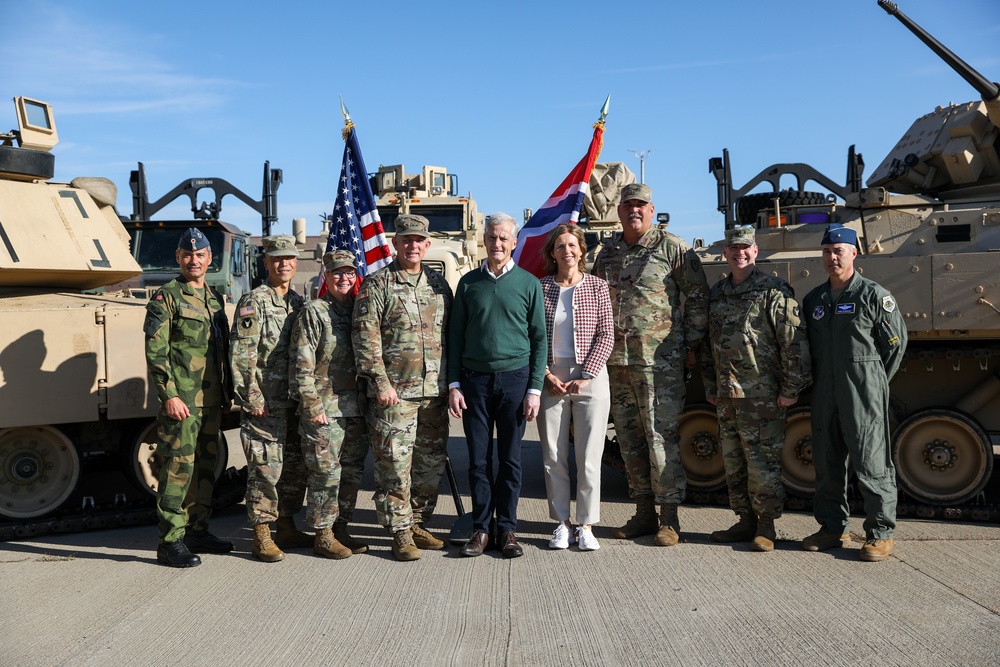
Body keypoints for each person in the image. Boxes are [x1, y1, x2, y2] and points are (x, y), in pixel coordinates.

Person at [592, 183, 709, 547]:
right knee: (629, 441)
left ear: (652, 208)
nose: (634, 211)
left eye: (640, 205)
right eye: (628, 206)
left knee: (661, 440)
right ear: (619, 211)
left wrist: (691, 343)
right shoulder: (607, 251)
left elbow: (698, 295)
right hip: (615, 362)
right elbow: (594, 298)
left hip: (659, 363)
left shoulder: (672, 247)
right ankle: (643, 511)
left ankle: (669, 518)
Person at [801, 224, 907, 562]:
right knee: (827, 462)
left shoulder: (874, 296)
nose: (832, 257)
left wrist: (872, 380)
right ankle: (834, 528)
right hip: (825, 392)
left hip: (863, 391)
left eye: (839, 251)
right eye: (827, 252)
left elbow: (896, 344)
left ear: (853, 254)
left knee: (872, 461)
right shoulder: (814, 299)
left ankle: (879, 533)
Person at [701, 226, 811, 551]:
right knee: (734, 462)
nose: (740, 254)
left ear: (755, 250)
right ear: (725, 253)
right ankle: (744, 521)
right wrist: (710, 384)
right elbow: (710, 346)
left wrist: (790, 388)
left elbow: (793, 343)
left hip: (762, 394)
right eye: (734, 249)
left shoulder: (773, 290)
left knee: (762, 463)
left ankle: (766, 526)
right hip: (726, 394)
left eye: (745, 248)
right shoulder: (717, 293)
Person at [352, 214, 453, 562]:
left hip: (434, 393)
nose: (413, 246)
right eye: (406, 239)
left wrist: (451, 384)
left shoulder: (439, 285)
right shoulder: (377, 284)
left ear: (427, 245)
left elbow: (450, 336)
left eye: (419, 240)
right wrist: (380, 383)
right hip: (395, 395)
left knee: (428, 465)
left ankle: (418, 522)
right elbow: (365, 337)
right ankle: (399, 532)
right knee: (394, 467)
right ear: (395, 243)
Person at [448, 212, 547, 559]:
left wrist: (534, 388)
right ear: (484, 239)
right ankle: (481, 529)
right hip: (474, 382)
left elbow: (539, 340)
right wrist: (455, 384)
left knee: (510, 460)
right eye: (492, 237)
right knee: (478, 460)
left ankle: (506, 529)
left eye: (504, 238)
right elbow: (456, 336)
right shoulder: (469, 284)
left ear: (514, 242)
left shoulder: (528, 283)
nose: (498, 244)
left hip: (515, 380)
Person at [144, 227, 232, 568]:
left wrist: (226, 393)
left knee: (205, 471)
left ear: (210, 259)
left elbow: (221, 351)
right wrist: (168, 395)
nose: (193, 260)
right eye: (187, 255)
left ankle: (197, 531)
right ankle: (170, 542)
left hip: (210, 401)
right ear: (178, 258)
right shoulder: (166, 296)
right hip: (182, 402)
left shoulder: (213, 298)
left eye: (199, 255)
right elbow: (156, 351)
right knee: (177, 472)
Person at [230, 235, 309, 562]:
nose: (284, 264)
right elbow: (240, 355)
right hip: (265, 403)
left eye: (289, 258)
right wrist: (251, 397)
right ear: (266, 263)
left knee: (293, 469)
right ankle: (261, 535)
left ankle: (286, 526)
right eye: (277, 259)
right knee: (265, 469)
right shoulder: (254, 301)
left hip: (294, 402)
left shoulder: (298, 302)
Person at [536, 224, 614, 552]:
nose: (566, 251)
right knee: (553, 455)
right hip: (551, 378)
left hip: (590, 378)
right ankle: (561, 524)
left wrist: (587, 374)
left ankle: (586, 525)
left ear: (581, 250)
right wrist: (544, 374)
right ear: (552, 253)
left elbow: (606, 334)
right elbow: (531, 336)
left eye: (572, 245)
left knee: (589, 456)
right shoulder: (539, 288)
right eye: (560, 246)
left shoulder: (597, 287)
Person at [291, 250, 370, 559]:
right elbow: (302, 363)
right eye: (337, 273)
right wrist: (312, 407)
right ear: (327, 276)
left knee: (351, 473)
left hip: (356, 409)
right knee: (325, 473)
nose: (344, 278)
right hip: (325, 409)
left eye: (349, 272)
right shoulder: (315, 311)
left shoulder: (361, 311)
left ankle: (340, 528)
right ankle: (322, 534)